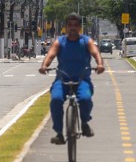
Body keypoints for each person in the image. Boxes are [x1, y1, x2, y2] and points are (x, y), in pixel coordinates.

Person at [38, 13, 105, 145]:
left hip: (82, 80)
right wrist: (44, 66)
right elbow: (51, 55)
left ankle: (84, 122)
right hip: (62, 79)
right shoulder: (60, 42)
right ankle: (59, 133)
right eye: (70, 25)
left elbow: (95, 53)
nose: (72, 28)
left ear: (80, 27)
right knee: (56, 100)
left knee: (85, 99)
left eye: (75, 25)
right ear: (66, 27)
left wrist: (100, 64)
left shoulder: (86, 41)